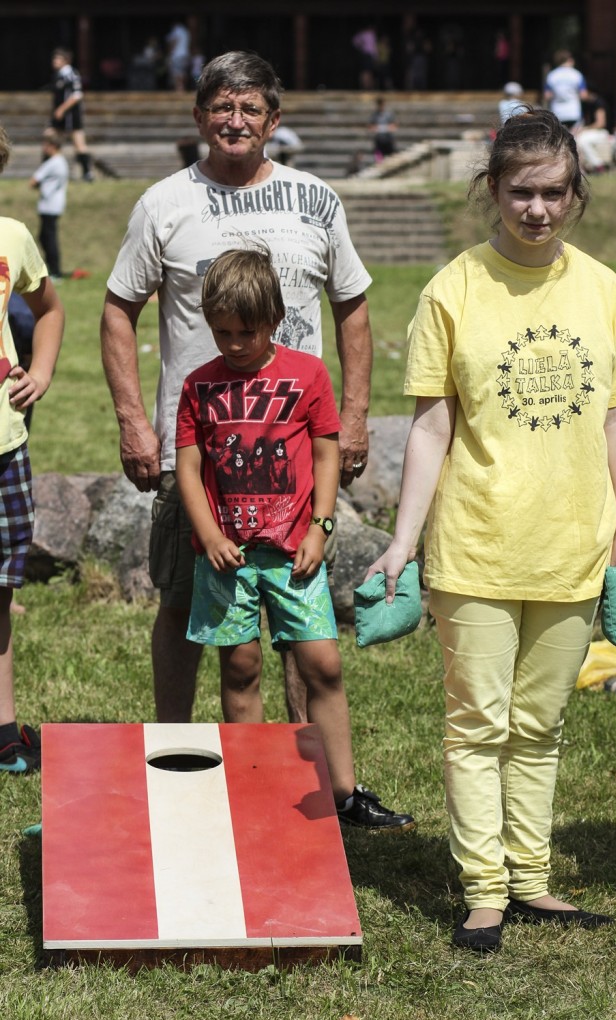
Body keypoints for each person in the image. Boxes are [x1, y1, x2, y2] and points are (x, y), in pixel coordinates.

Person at [364, 108, 616, 952]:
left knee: (540, 725)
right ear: (492, 189)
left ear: (576, 192)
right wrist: (403, 540)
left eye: (554, 192)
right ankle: (485, 891)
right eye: (522, 192)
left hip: (573, 544)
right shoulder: (452, 289)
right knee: (477, 725)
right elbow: (430, 428)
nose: (538, 209)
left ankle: (531, 879)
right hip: (477, 545)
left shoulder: (604, 289)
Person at [100, 51, 374, 730]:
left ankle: (306, 769)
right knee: (183, 600)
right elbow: (117, 310)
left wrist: (355, 416)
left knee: (298, 611)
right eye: (222, 106)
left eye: (250, 107)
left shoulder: (316, 199)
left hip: (293, 447)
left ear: (273, 120)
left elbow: (353, 308)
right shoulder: (164, 204)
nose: (235, 120)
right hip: (199, 449)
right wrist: (134, 421)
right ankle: (172, 749)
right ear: (200, 118)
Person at [175, 246, 414, 831]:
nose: (234, 345)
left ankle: (344, 794)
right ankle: (253, 790)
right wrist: (208, 535)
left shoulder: (308, 375)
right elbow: (187, 466)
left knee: (322, 664)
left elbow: (328, 454)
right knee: (241, 669)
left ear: (276, 318)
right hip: (227, 559)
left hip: (294, 554)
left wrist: (320, 527)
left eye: (247, 332)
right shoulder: (198, 386)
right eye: (222, 332)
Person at [0, 124, 65, 773]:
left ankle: (3, 731)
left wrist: (40, 372)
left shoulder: (12, 236)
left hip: (5, 445)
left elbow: (48, 309)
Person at [30, 129, 69, 281]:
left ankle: (55, 272)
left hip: (49, 206)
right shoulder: (61, 161)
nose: (43, 148)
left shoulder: (52, 163)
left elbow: (33, 181)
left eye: (45, 145)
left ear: (52, 146)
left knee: (48, 239)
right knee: (45, 237)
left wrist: (39, 185)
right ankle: (53, 270)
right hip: (54, 205)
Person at [50, 47, 94, 182]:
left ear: (66, 61)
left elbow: (77, 95)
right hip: (60, 116)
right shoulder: (58, 75)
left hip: (71, 116)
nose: (54, 61)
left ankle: (87, 173)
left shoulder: (71, 74)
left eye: (58, 59)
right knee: (50, 139)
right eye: (54, 58)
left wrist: (62, 109)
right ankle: (49, 172)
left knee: (79, 143)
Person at [544, 50, 588, 129]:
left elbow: (547, 96)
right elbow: (584, 95)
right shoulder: (577, 75)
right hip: (573, 112)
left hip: (557, 112)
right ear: (570, 60)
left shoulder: (551, 75)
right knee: (573, 135)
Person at [575, 90, 613, 174]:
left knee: (582, 140)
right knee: (576, 139)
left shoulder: (598, 103)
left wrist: (585, 128)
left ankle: (598, 165)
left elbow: (601, 123)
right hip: (592, 132)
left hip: (601, 132)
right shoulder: (585, 104)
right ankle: (584, 167)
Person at [368, 97, 397, 162]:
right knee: (378, 160)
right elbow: (370, 127)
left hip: (388, 140)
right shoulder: (374, 115)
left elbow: (394, 126)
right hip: (379, 141)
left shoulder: (389, 114)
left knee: (392, 160)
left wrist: (386, 128)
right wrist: (377, 128)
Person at [166, 21, 191, 92]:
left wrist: (169, 53)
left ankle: (179, 88)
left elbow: (173, 42)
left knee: (176, 72)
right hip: (185, 54)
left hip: (177, 55)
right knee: (183, 72)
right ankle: (182, 87)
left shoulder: (176, 30)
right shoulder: (186, 31)